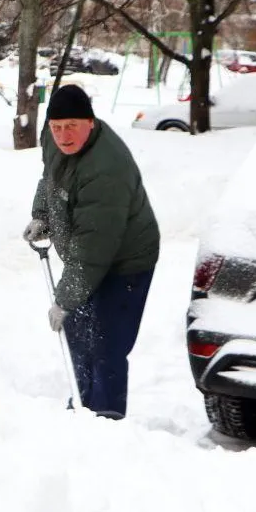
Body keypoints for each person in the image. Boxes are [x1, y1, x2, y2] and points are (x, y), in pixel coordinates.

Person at [23, 84, 160, 420]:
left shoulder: (106, 170)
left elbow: (92, 250)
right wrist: (42, 214)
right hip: (90, 255)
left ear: (90, 122)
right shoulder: (56, 141)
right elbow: (51, 178)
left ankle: (106, 419)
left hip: (125, 262)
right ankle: (81, 406)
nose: (63, 135)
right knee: (80, 336)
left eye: (72, 126)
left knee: (106, 345)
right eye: (56, 127)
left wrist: (64, 300)